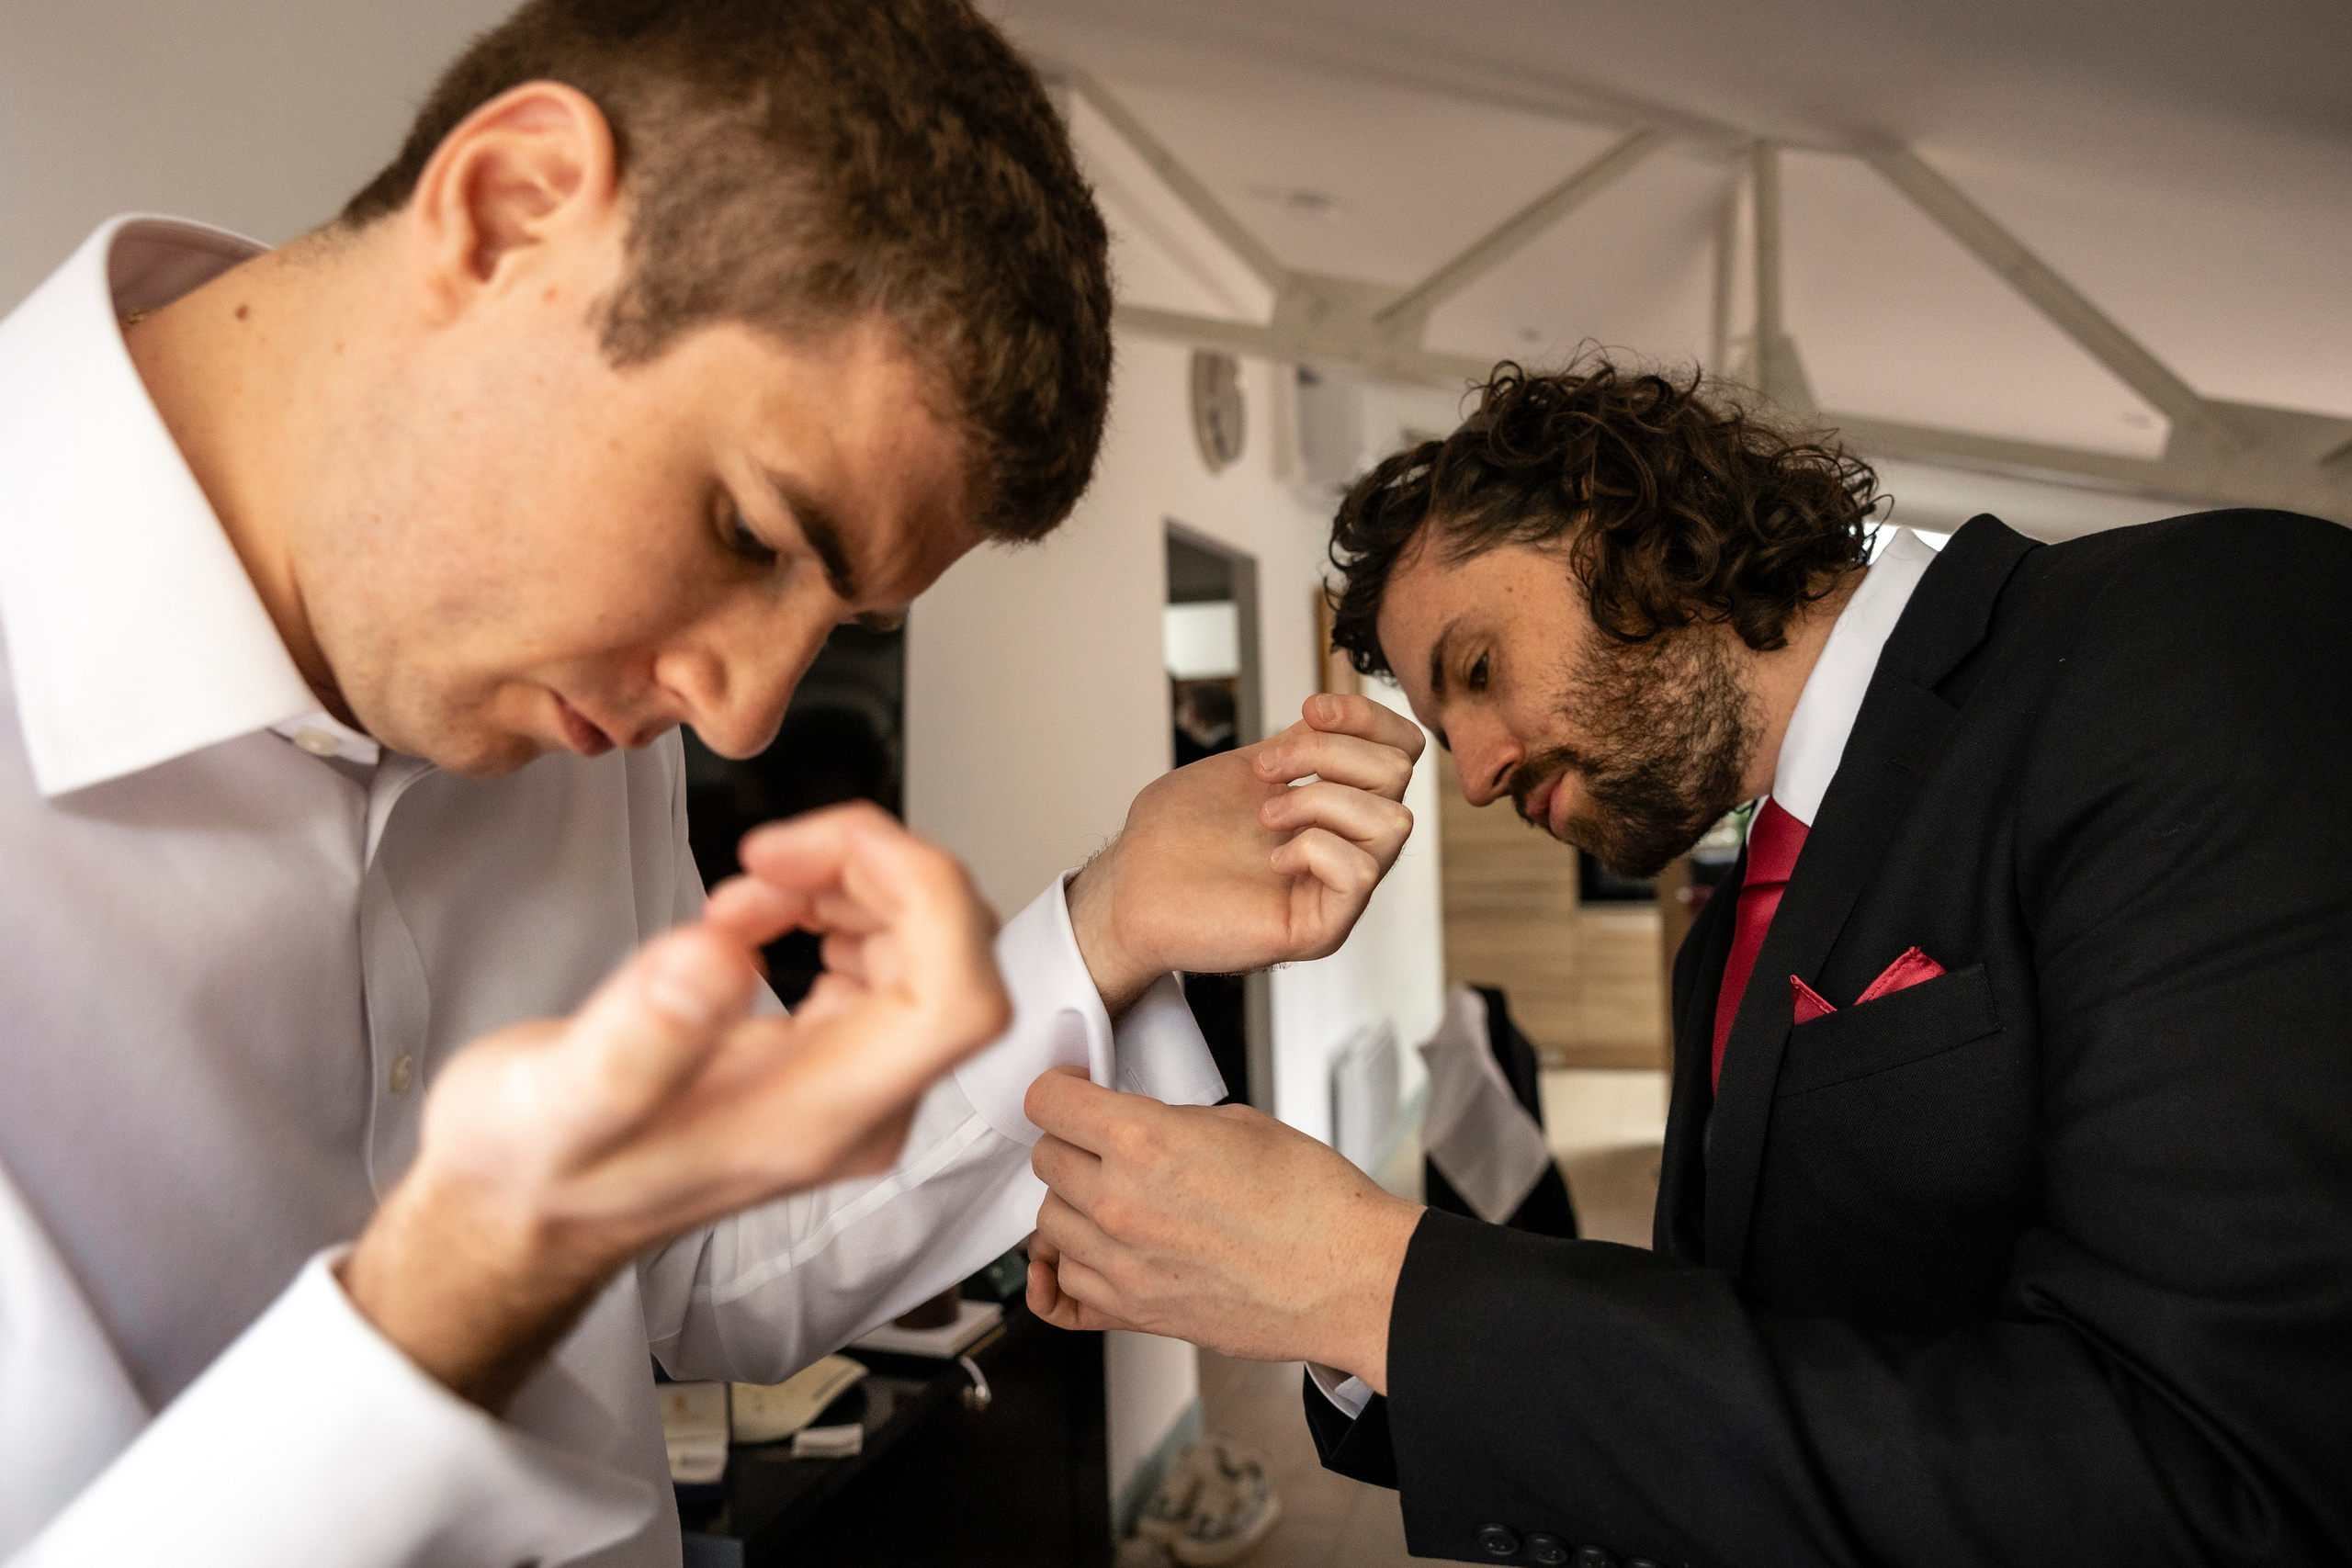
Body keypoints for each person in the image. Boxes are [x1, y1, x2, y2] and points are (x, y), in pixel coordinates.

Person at [0, 3, 1425, 1563]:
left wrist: (1110, 923)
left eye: (834, 622)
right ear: (511, 211)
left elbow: (703, 1265)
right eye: (749, 531)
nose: (741, 718)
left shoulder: (569, 703)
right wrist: (437, 1314)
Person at [1025, 359, 2352, 1566]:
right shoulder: (1729, 935)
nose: (1474, 773)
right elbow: (1753, 1365)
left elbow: (2215, 1479)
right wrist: (1320, 1307)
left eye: (1477, 668)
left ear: (1624, 523)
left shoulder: (2191, 631)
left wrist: (1378, 1281)